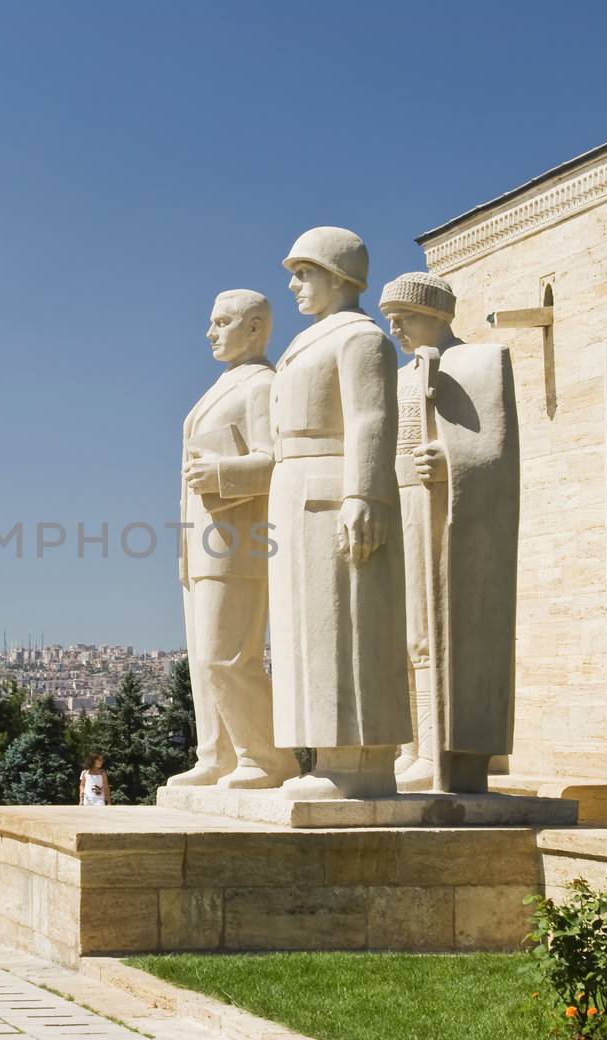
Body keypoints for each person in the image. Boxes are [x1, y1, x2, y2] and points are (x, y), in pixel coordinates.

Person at [268, 227, 412, 799]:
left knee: (346, 626)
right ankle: (325, 756)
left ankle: (358, 764)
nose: (294, 285)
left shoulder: (361, 339)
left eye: (305, 273)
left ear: (338, 275)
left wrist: (367, 494)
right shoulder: (311, 340)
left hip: (336, 487)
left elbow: (372, 419)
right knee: (308, 631)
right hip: (296, 487)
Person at [379, 271, 520, 793]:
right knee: (405, 630)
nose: (395, 327)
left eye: (404, 316)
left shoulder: (477, 363)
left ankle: (438, 749)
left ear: (435, 314)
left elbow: (498, 448)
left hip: (441, 507)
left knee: (432, 631)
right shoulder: (398, 377)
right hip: (400, 503)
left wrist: (450, 458)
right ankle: (411, 748)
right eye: (390, 318)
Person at [167, 290, 300, 791]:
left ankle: (267, 758)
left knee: (224, 656)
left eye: (222, 322)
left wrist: (221, 472)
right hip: (203, 540)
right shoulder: (223, 385)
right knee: (204, 660)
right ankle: (218, 754)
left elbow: (278, 460)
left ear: (255, 328)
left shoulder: (263, 386)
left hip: (239, 538)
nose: (210, 332)